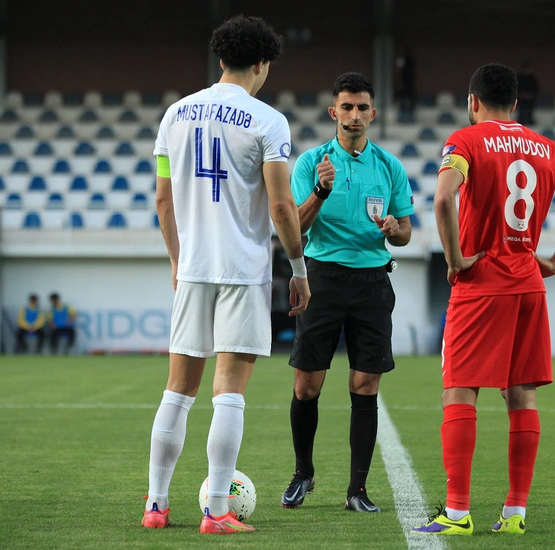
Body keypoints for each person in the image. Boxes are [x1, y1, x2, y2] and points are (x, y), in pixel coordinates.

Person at [413, 63, 555, 537]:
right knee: (522, 396)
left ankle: (457, 512)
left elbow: (441, 200)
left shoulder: (467, 141)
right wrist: (554, 262)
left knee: (460, 390)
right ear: (516, 104)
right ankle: (515, 512)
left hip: (483, 284)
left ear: (472, 101)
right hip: (529, 286)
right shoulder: (547, 148)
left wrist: (456, 259)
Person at [142, 15, 311, 535]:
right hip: (242, 270)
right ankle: (216, 510)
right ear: (262, 65)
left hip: (193, 269)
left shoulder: (175, 114)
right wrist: (299, 269)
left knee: (177, 391)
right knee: (229, 392)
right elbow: (282, 207)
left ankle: (156, 505)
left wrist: (177, 258)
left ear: (221, 60)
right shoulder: (268, 121)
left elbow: (163, 199)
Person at [280, 72, 413, 514]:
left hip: (373, 282)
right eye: (347, 107)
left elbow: (406, 231)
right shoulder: (311, 163)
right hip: (323, 278)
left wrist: (395, 228)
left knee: (366, 383)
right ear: (333, 112)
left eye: (362, 108)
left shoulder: (390, 167)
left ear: (373, 114)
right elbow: (296, 227)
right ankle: (303, 474)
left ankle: (357, 489)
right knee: (307, 385)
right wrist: (321, 190)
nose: (354, 116)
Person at [516, 61, 539, 126]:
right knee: (520, 111)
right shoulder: (519, 77)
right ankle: (520, 122)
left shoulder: (533, 78)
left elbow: (536, 89)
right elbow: (516, 88)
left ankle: (530, 121)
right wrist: (521, 94)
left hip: (530, 99)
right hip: (520, 98)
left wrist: (529, 95)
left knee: (530, 111)